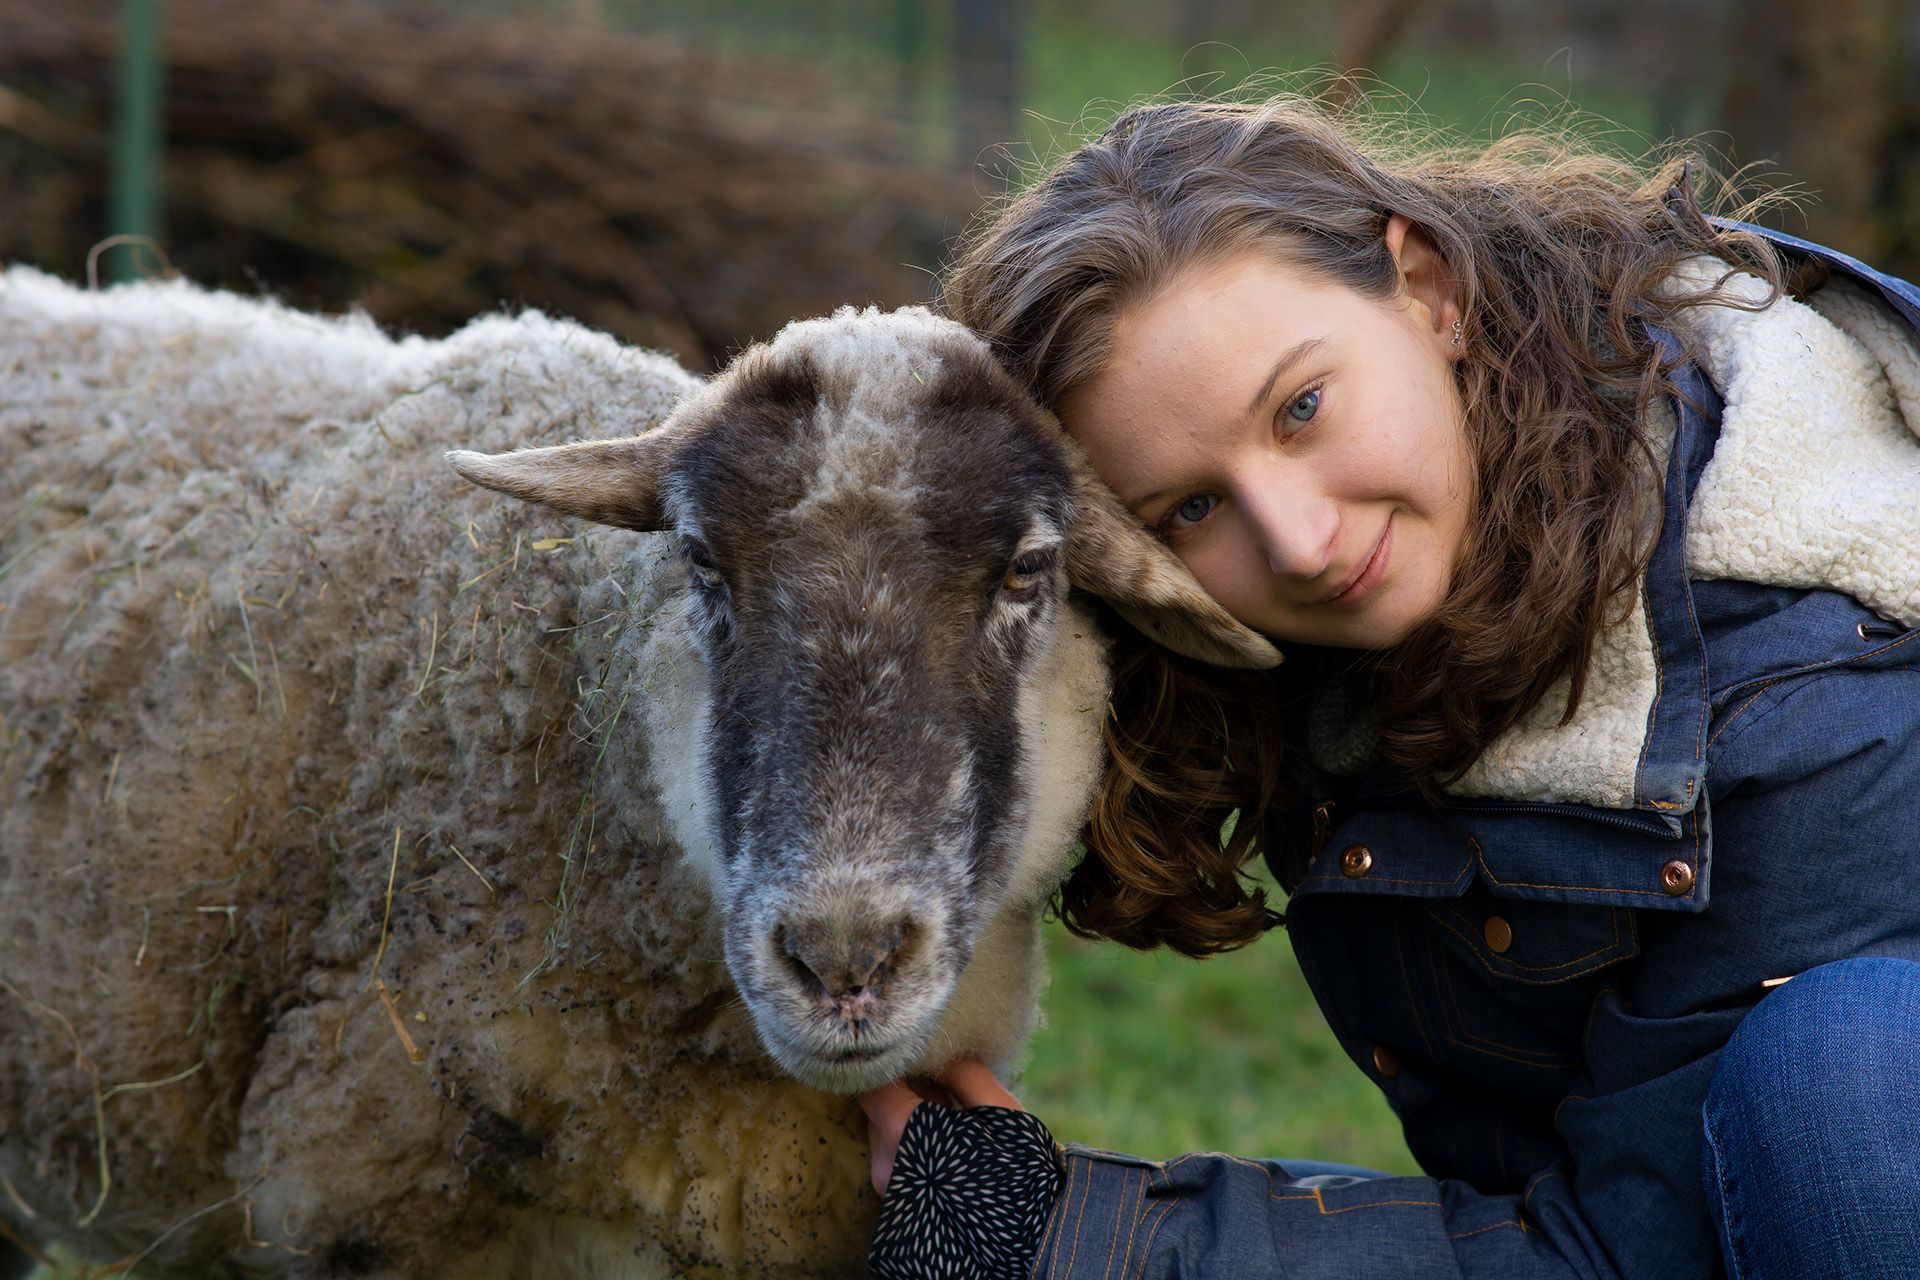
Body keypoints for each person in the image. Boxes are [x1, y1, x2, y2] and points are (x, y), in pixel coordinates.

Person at [858, 95, 1920, 1280]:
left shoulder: (1804, 676)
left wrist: (1079, 1236)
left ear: (1425, 290)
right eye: (1191, 509)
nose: (1300, 541)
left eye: (1302, 408)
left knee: (1851, 1072)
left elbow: (1632, 1253)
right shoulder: (1352, 603)